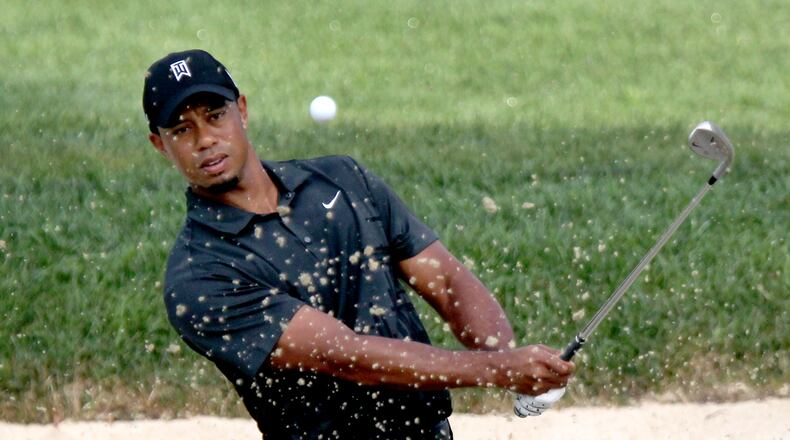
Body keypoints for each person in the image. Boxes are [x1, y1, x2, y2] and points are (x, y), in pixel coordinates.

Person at [143, 49, 574, 439]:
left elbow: (444, 279)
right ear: (161, 145)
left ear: (242, 110)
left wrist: (508, 356)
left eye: (215, 115)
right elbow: (345, 356)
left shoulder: (343, 179)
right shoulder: (199, 276)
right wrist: (497, 371)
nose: (205, 139)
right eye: (183, 129)